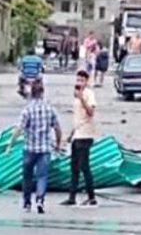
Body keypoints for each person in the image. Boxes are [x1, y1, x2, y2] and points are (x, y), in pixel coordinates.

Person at [7, 79, 62, 214]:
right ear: (42, 93)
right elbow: (57, 128)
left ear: (31, 93)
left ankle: (27, 203)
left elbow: (19, 129)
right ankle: (40, 200)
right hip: (45, 149)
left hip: (29, 149)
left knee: (27, 177)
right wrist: (58, 144)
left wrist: (10, 144)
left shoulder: (27, 110)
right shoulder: (49, 109)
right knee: (42, 176)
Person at [61, 69, 97, 207]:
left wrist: (82, 98)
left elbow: (91, 112)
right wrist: (71, 135)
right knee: (74, 167)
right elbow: (77, 118)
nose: (79, 83)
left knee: (84, 166)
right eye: (78, 80)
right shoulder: (75, 97)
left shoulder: (89, 94)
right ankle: (72, 197)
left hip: (86, 135)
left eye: (82, 80)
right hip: (77, 134)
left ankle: (91, 196)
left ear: (86, 82)